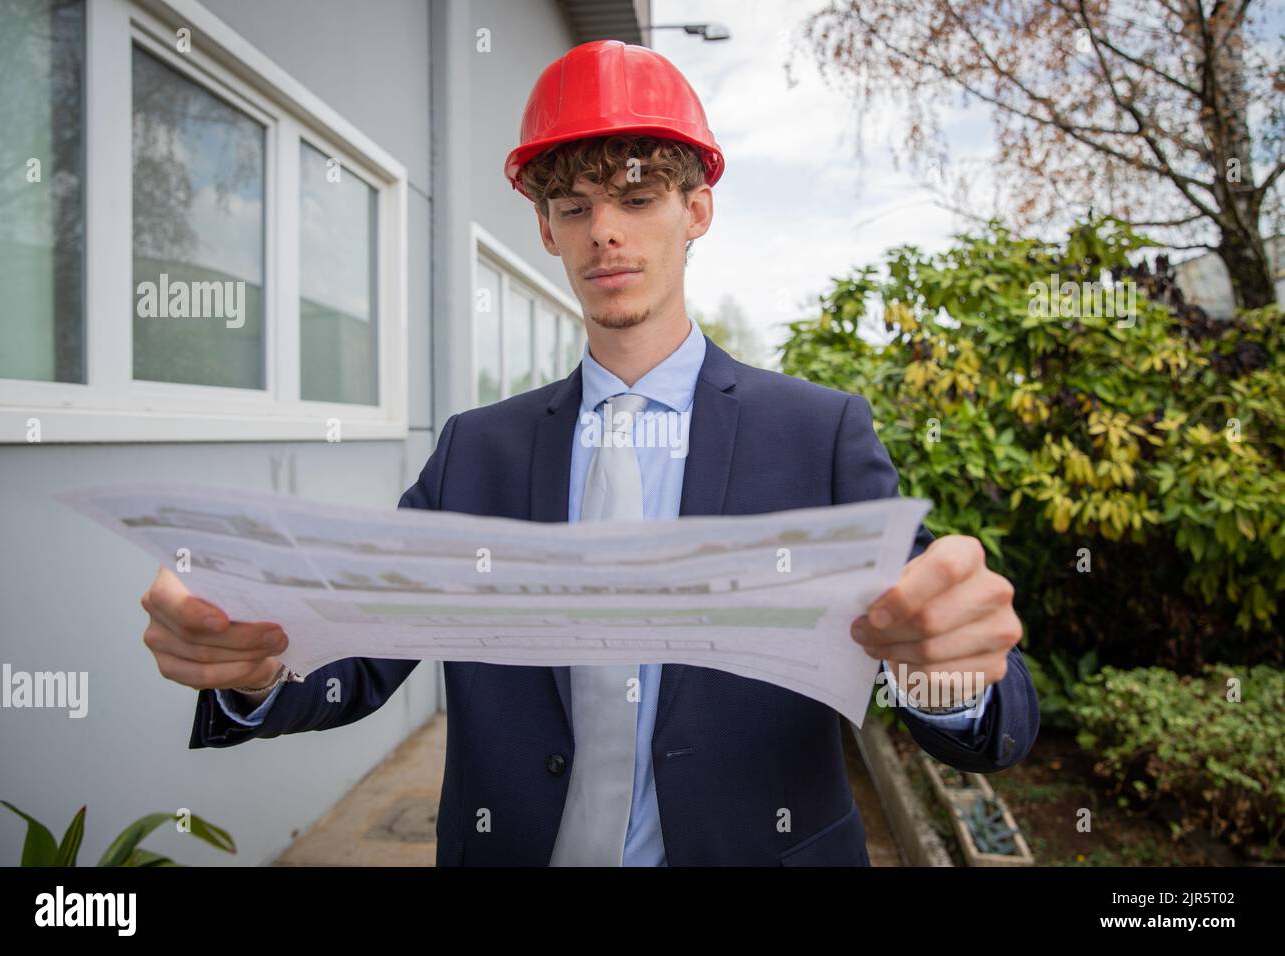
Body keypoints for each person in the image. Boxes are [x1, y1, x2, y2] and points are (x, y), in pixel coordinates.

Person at [140, 40, 1038, 866]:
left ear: (697, 209)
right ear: (546, 230)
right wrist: (260, 668)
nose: (605, 230)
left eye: (639, 199)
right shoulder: (475, 452)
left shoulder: (818, 432)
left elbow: (958, 677)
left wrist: (947, 671)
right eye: (576, 207)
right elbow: (361, 653)